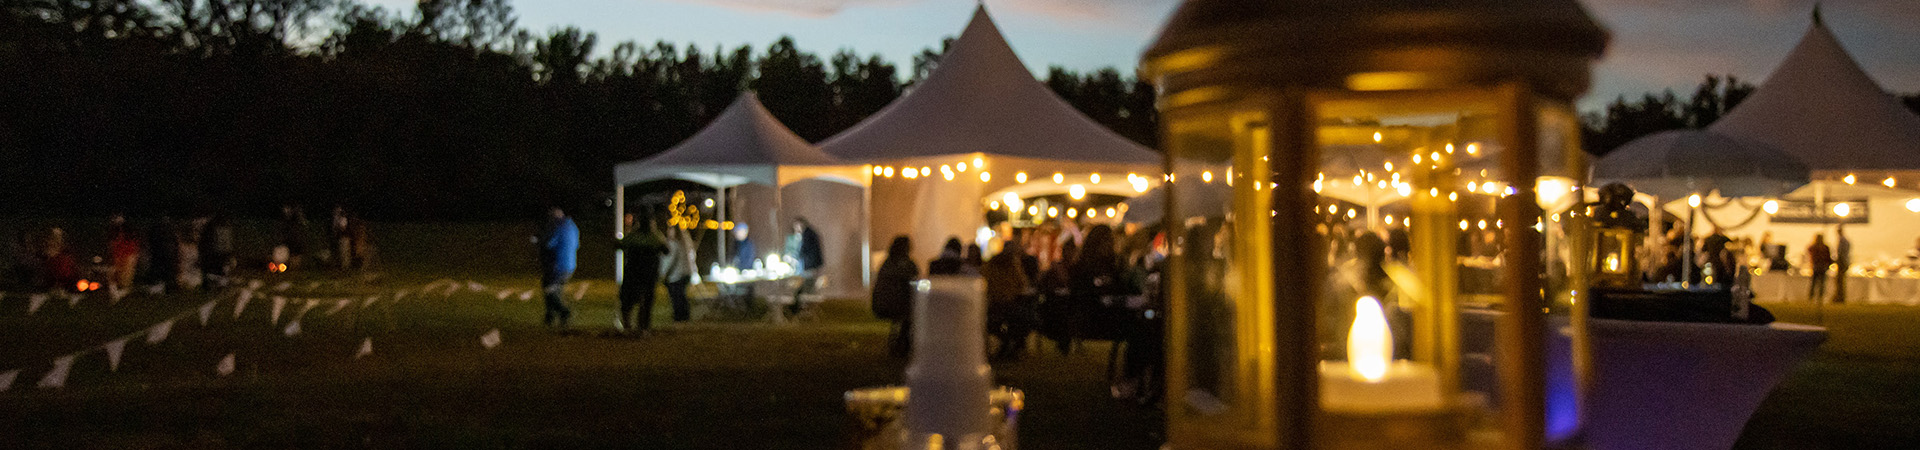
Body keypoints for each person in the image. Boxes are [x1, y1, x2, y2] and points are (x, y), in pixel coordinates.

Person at [982, 234, 1035, 360]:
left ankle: (1008, 348)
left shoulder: (994, 264)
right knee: (1026, 319)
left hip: (995, 306)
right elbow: (1021, 285)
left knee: (1023, 319)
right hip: (1001, 306)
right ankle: (1012, 348)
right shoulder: (1009, 265)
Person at [616, 214, 668, 335]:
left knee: (628, 299)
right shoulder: (655, 236)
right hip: (648, 273)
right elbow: (666, 250)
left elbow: (618, 245)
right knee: (645, 300)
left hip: (634, 271)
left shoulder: (634, 236)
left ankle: (630, 326)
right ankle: (642, 326)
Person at [872, 236, 919, 358]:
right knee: (911, 314)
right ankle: (903, 346)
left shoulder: (887, 263)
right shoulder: (906, 264)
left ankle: (900, 344)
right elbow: (914, 279)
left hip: (881, 303)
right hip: (895, 305)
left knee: (907, 314)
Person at [540, 206, 580, 330]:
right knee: (556, 290)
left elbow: (549, 243)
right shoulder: (573, 227)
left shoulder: (558, 227)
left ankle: (563, 311)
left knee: (549, 289)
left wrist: (541, 239)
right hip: (570, 265)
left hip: (558, 265)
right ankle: (550, 316)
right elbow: (577, 245)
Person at [784, 218, 824, 313]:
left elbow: (806, 252)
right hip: (805, 266)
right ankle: (797, 307)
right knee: (798, 287)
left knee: (801, 287)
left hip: (807, 267)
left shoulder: (808, 236)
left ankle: (796, 308)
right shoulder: (808, 235)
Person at [662, 225, 697, 323]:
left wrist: (664, 273)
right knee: (681, 296)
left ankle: (679, 317)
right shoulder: (684, 243)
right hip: (684, 274)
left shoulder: (673, 244)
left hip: (675, 275)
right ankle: (684, 316)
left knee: (676, 297)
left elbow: (670, 261)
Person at [106, 213, 142, 294]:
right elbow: (112, 244)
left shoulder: (128, 231)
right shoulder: (114, 232)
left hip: (127, 254)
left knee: (126, 275)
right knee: (118, 273)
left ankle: (124, 290)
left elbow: (133, 242)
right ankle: (121, 289)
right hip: (120, 254)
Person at [1805, 234, 1833, 302]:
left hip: (1818, 267)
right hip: (1820, 267)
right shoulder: (1823, 247)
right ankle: (1817, 297)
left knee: (1816, 283)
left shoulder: (1821, 247)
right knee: (1819, 283)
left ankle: (1814, 297)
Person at [1833, 224, 1851, 304]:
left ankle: (1840, 297)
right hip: (1844, 262)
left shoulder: (1842, 240)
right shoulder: (1845, 240)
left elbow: (1841, 253)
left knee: (1840, 281)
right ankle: (1840, 297)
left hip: (1842, 262)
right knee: (1840, 281)